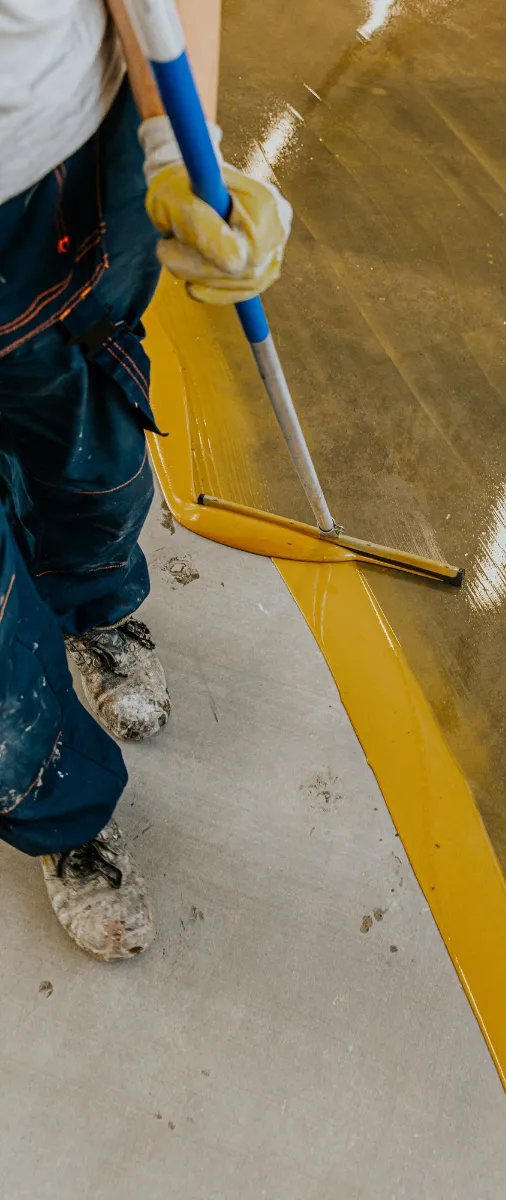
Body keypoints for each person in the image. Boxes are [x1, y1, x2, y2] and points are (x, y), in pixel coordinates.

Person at [0, 1, 291, 960]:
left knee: (87, 446)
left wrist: (179, 141)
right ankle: (60, 810)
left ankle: (96, 608)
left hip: (67, 165)